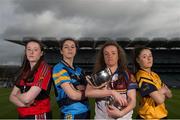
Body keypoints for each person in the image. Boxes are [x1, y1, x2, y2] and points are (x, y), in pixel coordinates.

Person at [85, 41, 137, 119]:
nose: (110, 56)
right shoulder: (98, 74)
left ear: (118, 56)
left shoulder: (128, 75)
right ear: (103, 57)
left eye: (113, 53)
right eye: (106, 54)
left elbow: (132, 100)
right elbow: (88, 93)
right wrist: (112, 92)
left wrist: (121, 113)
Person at [9, 39, 52, 119]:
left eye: (35, 50)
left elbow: (27, 98)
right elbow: (11, 97)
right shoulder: (25, 71)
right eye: (29, 49)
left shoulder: (44, 69)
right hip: (23, 114)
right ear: (25, 52)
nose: (31, 52)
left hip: (38, 115)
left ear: (41, 53)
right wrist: (24, 104)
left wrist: (18, 95)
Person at [52, 38, 90, 119]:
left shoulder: (80, 70)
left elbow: (90, 86)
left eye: (73, 47)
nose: (70, 49)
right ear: (61, 51)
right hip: (71, 114)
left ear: (76, 50)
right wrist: (87, 92)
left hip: (86, 112)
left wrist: (75, 88)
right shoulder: (59, 68)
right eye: (66, 47)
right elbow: (73, 95)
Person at [134, 46, 172, 119]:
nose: (149, 58)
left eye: (150, 56)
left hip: (162, 116)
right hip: (148, 117)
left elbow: (169, 95)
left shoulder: (155, 75)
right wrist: (162, 91)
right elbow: (160, 100)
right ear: (138, 60)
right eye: (144, 57)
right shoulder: (141, 77)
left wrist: (159, 93)